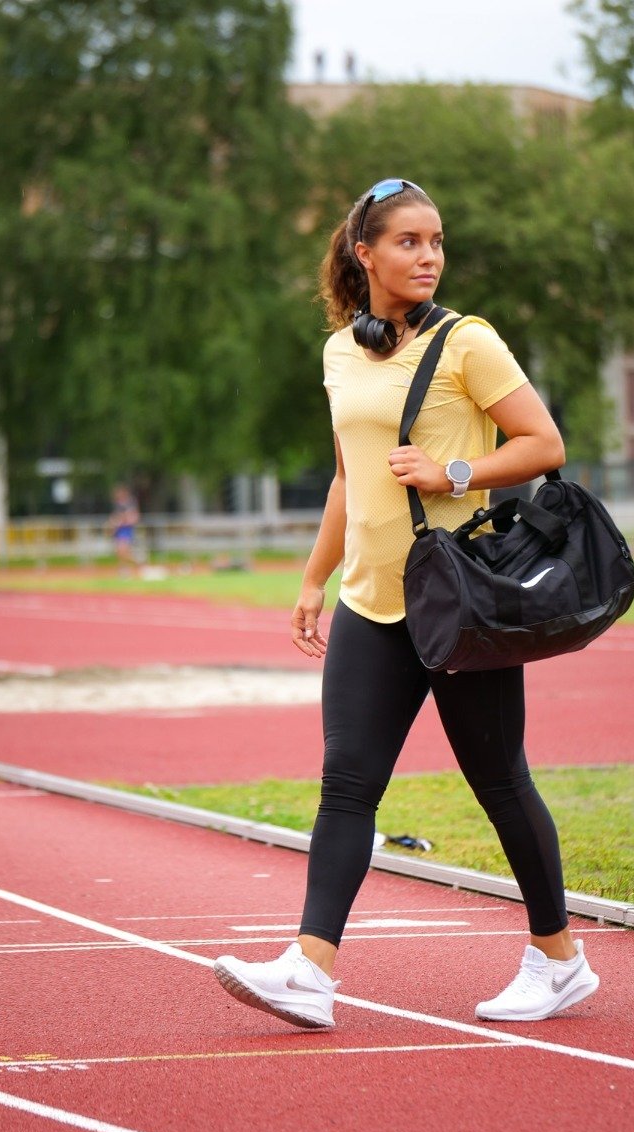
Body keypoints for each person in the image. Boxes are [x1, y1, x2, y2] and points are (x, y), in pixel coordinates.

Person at [213, 178, 599, 1030]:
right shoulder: (340, 354)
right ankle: (311, 969)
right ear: (366, 254)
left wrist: (453, 471)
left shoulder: (471, 343)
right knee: (346, 784)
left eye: (436, 241)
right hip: (369, 602)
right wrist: (315, 577)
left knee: (499, 781)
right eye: (409, 242)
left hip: (460, 601)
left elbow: (545, 445)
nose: (428, 256)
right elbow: (349, 475)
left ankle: (559, 957)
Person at [107, 483, 140, 572]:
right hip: (119, 530)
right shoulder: (117, 505)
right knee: (119, 551)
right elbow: (115, 518)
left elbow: (133, 517)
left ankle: (138, 562)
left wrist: (122, 521)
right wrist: (113, 525)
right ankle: (125, 567)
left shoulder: (130, 504)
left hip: (126, 529)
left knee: (122, 549)